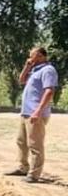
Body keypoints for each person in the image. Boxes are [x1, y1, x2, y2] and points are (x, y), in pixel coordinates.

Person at [7, 46, 58, 183]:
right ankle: (23, 167)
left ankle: (34, 174)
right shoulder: (35, 70)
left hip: (36, 113)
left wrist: (38, 111)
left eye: (32, 55)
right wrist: (27, 66)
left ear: (41, 56)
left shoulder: (48, 70)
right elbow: (21, 80)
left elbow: (49, 92)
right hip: (26, 112)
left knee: (35, 145)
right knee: (21, 141)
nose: (30, 58)